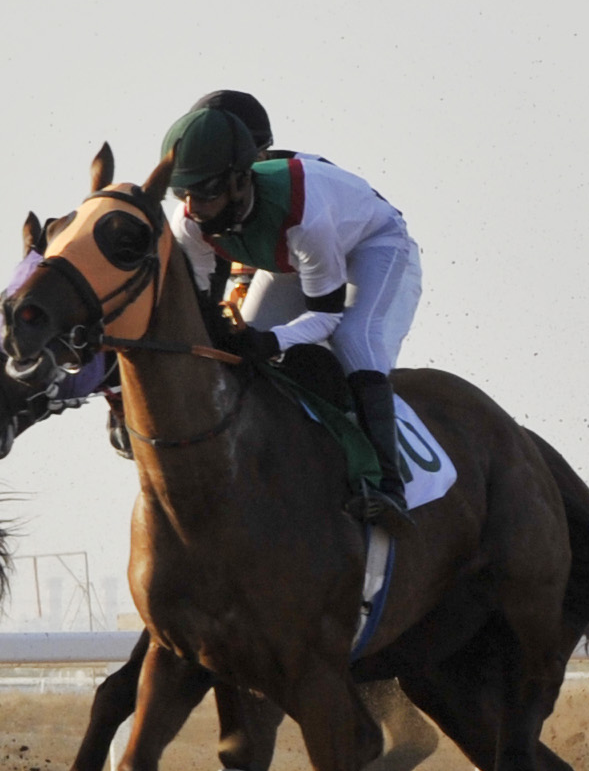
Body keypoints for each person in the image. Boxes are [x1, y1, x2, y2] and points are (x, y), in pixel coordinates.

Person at [159, 100, 419, 522]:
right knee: (243, 358)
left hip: (372, 246)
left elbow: (327, 316)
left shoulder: (305, 216)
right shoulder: (187, 221)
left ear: (240, 182)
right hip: (291, 260)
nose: (194, 208)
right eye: (183, 193)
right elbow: (202, 304)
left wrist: (270, 340)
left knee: (354, 339)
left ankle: (388, 486)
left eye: (206, 193)